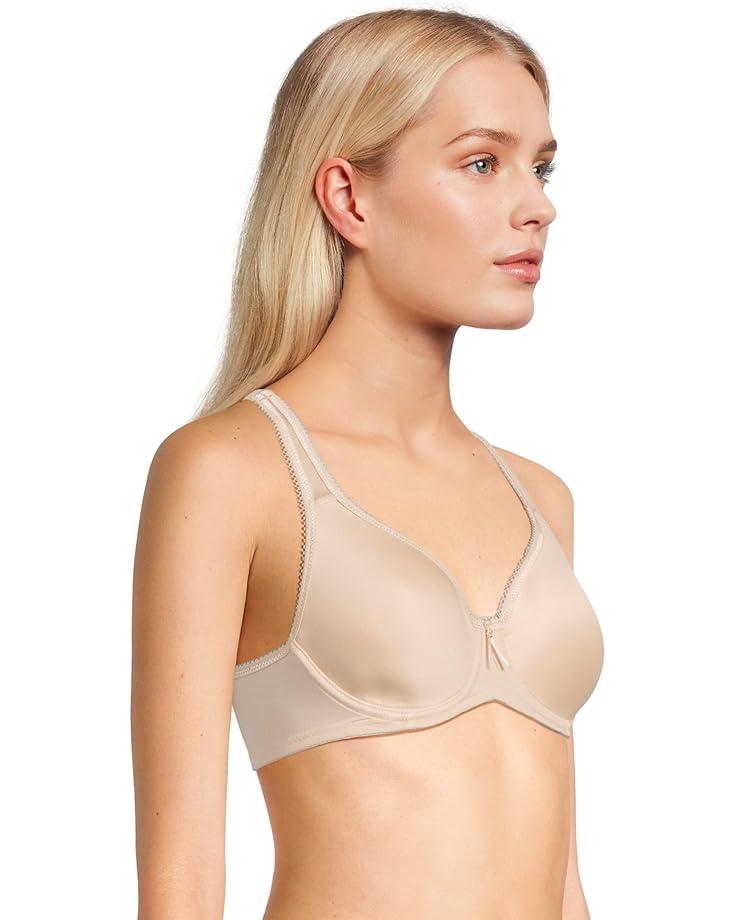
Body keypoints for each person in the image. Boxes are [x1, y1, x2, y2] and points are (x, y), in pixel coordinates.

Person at [131, 9, 605, 919]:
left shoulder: (540, 498)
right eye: (482, 162)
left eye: (541, 167)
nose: (538, 205)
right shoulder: (232, 473)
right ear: (349, 198)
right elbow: (181, 880)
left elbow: (561, 879)